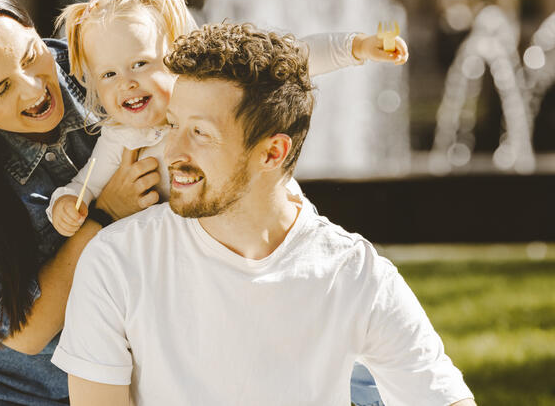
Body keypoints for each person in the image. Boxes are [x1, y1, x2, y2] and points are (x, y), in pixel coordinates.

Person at [0, 0, 397, 405]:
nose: (35, 88)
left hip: (107, 374)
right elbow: (26, 334)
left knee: (350, 378)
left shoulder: (101, 66)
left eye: (31, 55)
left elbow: (245, 78)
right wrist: (104, 215)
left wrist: (352, 48)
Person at [52, 23, 477, 406]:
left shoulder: (353, 274)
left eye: (200, 133)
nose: (172, 151)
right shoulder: (116, 262)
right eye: (173, 125)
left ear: (272, 152)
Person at [48, 0, 407, 237]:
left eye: (140, 64)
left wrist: (357, 47)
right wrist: (64, 204)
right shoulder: (120, 138)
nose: (125, 82)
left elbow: (290, 59)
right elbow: (83, 187)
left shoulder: (210, 90)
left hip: (256, 233)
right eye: (109, 74)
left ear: (174, 54)